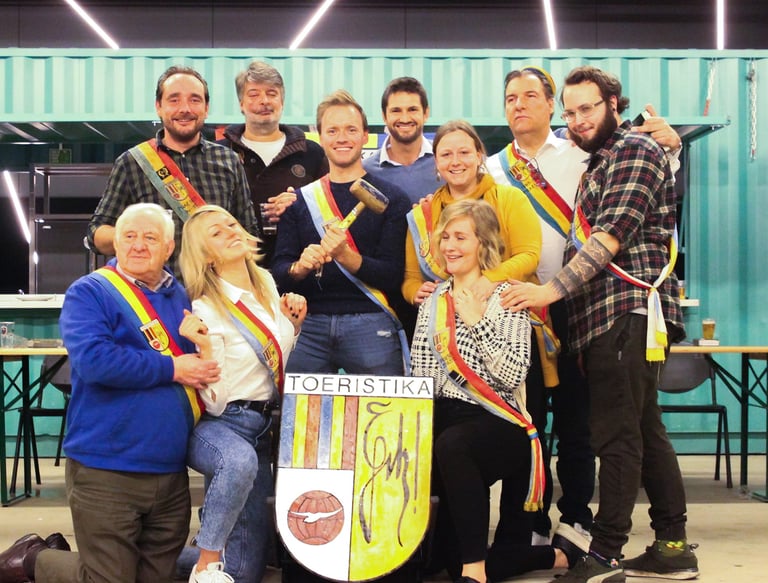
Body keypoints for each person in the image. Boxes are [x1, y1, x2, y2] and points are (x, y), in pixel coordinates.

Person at [504, 66, 697, 583]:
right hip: (609, 319)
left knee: (615, 438)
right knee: (645, 430)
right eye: (570, 113)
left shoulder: (635, 149)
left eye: (587, 108)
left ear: (614, 103)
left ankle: (606, 553)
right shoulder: (603, 158)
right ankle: (673, 548)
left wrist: (549, 291)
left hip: (624, 312)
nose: (578, 120)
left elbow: (609, 236)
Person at [0, 203, 222, 583]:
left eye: (150, 237)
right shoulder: (90, 292)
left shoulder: (183, 296)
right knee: (107, 578)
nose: (138, 245)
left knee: (156, 577)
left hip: (170, 471)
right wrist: (173, 368)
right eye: (128, 236)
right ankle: (34, 559)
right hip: (105, 468)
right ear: (114, 243)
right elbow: (95, 362)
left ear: (169, 247)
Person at [410, 199, 568, 583]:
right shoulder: (432, 300)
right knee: (444, 564)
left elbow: (511, 376)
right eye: (445, 237)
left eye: (461, 237)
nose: (450, 246)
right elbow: (421, 373)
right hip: (445, 420)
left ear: (483, 243)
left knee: (453, 444)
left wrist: (476, 322)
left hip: (499, 421)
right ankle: (547, 557)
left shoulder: (508, 296)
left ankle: (475, 572)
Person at [176, 205, 307, 583]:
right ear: (205, 255)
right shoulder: (205, 306)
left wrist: (294, 326)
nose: (231, 232)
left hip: (263, 427)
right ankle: (204, 564)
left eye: (231, 224)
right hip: (223, 424)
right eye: (216, 233)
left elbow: (272, 360)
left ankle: (149, 553)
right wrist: (204, 351)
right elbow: (214, 403)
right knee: (237, 462)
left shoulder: (265, 282)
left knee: (248, 568)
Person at [271, 89, 411, 376]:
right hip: (308, 323)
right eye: (332, 130)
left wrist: (345, 255)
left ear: (365, 136)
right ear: (320, 137)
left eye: (351, 129)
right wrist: (300, 267)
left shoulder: (394, 199)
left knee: (383, 405)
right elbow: (279, 272)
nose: (342, 138)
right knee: (295, 406)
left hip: (372, 321)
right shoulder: (299, 202)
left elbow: (393, 274)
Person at [88, 65, 257, 276]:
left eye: (195, 100)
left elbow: (249, 234)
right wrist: (135, 237)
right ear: (158, 107)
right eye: (174, 100)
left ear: (206, 108)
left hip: (217, 292)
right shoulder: (132, 162)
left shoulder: (229, 160)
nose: (185, 108)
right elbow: (96, 233)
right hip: (153, 293)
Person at [218, 60, 329, 264]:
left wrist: (299, 206)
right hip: (234, 267)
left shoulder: (312, 153)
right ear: (241, 103)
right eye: (254, 94)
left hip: (300, 268)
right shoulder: (220, 153)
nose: (264, 101)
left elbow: (330, 215)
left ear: (282, 102)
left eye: (272, 93)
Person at [362, 76, 443, 203]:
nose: (405, 119)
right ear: (384, 116)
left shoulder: (446, 161)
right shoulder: (366, 171)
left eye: (412, 110)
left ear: (426, 113)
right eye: (396, 111)